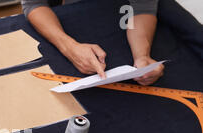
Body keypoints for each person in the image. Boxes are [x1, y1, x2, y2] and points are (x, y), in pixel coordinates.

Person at [22, 0, 164, 85]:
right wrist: (69, 48)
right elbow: (34, 4)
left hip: (116, 16)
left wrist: (142, 55)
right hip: (69, 20)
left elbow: (142, 9)